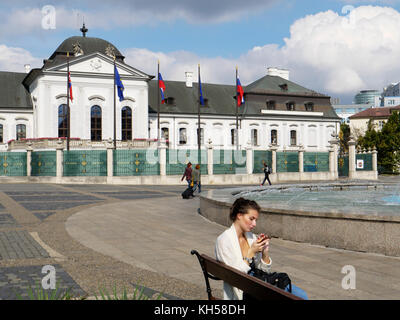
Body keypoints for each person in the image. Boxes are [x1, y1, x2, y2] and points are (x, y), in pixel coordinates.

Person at [215, 197, 308, 300]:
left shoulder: (250, 237)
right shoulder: (224, 240)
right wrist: (251, 253)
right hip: (244, 291)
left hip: (258, 283)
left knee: (301, 294)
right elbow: (234, 277)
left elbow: (264, 271)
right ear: (239, 215)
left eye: (256, 220)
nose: (255, 224)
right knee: (299, 296)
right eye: (251, 219)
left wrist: (265, 252)